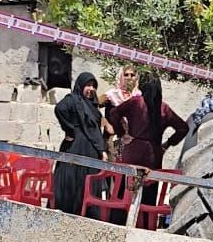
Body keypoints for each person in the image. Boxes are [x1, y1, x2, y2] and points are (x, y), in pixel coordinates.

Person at [109, 73, 189, 205]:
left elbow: (114, 113)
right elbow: (183, 128)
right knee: (148, 191)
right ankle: (145, 222)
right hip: (153, 155)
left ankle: (118, 218)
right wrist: (167, 144)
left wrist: (122, 133)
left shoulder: (135, 102)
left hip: (132, 150)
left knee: (124, 189)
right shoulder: (164, 108)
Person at [53, 72, 106, 217]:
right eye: (88, 85)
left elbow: (94, 129)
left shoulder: (92, 105)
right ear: (80, 85)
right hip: (76, 146)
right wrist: (70, 130)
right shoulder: (73, 99)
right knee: (73, 181)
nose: (91, 89)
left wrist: (101, 149)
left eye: (94, 86)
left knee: (87, 183)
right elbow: (59, 109)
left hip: (90, 149)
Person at [101, 65, 141, 161]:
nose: (129, 78)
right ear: (121, 76)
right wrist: (105, 123)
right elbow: (91, 105)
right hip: (114, 141)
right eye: (126, 75)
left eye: (132, 75)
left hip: (133, 143)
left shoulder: (139, 97)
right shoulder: (112, 94)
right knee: (112, 171)